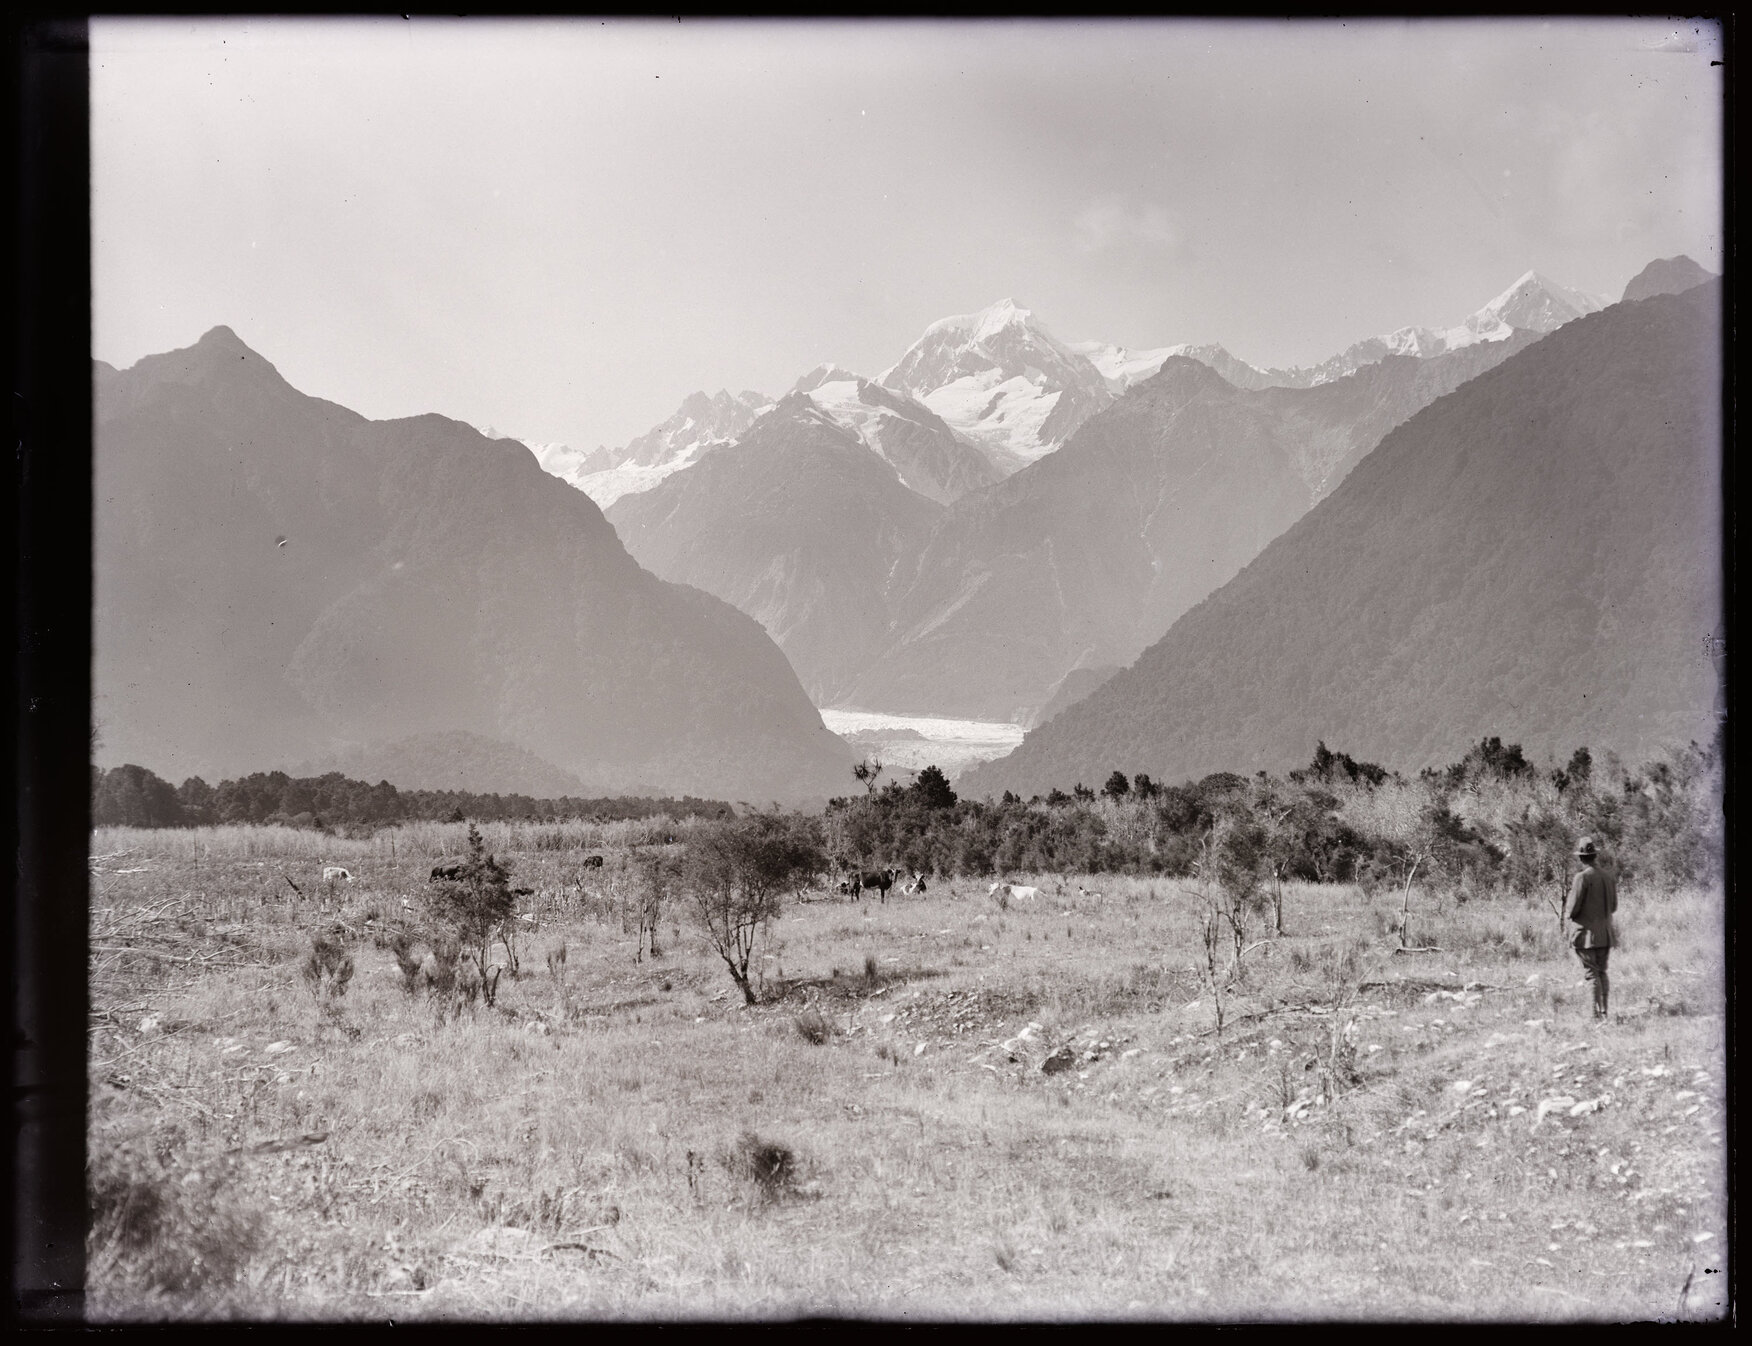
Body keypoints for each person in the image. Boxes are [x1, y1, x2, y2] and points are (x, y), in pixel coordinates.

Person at [1567, 836, 1617, 1020]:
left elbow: (1572, 909)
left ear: (1581, 858)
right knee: (1602, 972)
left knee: (1591, 975)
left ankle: (1595, 1017)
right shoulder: (1608, 877)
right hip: (1605, 935)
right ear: (1594, 856)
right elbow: (1613, 907)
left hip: (1586, 935)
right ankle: (1604, 1012)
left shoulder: (1581, 878)